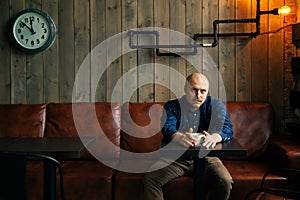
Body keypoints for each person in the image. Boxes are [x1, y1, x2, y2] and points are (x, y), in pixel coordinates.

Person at [144, 72, 234, 200]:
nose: (198, 95)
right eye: (194, 90)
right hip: (177, 158)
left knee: (225, 181)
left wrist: (215, 136)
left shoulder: (215, 105)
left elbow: (228, 127)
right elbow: (167, 126)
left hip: (207, 158)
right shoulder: (172, 106)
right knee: (151, 180)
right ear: (185, 89)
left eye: (203, 91)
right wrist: (179, 136)